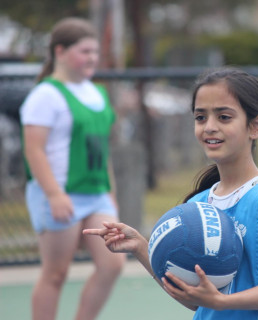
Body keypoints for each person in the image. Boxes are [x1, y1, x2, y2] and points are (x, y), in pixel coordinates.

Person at [83, 67, 258, 319]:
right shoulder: (199, 205)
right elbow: (196, 302)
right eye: (200, 117)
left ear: (255, 126)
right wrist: (142, 248)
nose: (209, 127)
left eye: (224, 117)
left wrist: (221, 301)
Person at [20, 17, 125, 320]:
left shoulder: (97, 93)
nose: (92, 58)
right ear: (60, 52)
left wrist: (110, 192)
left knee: (112, 264)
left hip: (96, 193)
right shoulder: (45, 95)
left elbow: (101, 150)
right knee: (56, 273)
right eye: (84, 51)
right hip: (58, 193)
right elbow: (33, 149)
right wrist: (54, 194)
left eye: (95, 52)